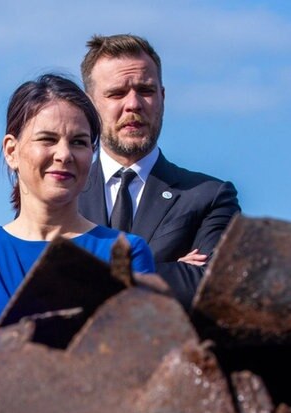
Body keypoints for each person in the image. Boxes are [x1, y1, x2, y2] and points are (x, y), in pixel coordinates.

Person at [0, 74, 155, 328]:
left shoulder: (128, 254)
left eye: (79, 142)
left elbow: (139, 357)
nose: (64, 154)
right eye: (48, 140)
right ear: (11, 151)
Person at [77, 34, 240, 311]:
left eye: (146, 91)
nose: (133, 104)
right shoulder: (62, 196)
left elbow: (214, 290)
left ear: (162, 97)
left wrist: (89, 275)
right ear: (89, 104)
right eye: (117, 93)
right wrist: (163, 268)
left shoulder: (209, 197)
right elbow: (36, 287)